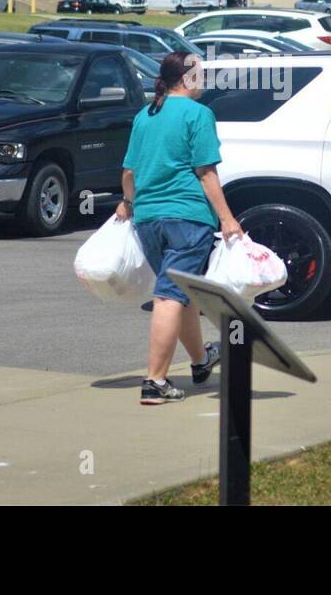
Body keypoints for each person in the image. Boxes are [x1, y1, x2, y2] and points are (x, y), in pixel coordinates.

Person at [117, 51, 244, 405]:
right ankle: (154, 381)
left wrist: (128, 204)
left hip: (148, 220)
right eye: (200, 74)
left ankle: (201, 362)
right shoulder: (199, 114)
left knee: (181, 291)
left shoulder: (145, 115)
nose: (203, 80)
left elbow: (129, 173)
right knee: (170, 296)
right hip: (187, 218)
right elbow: (206, 173)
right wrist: (228, 218)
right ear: (187, 79)